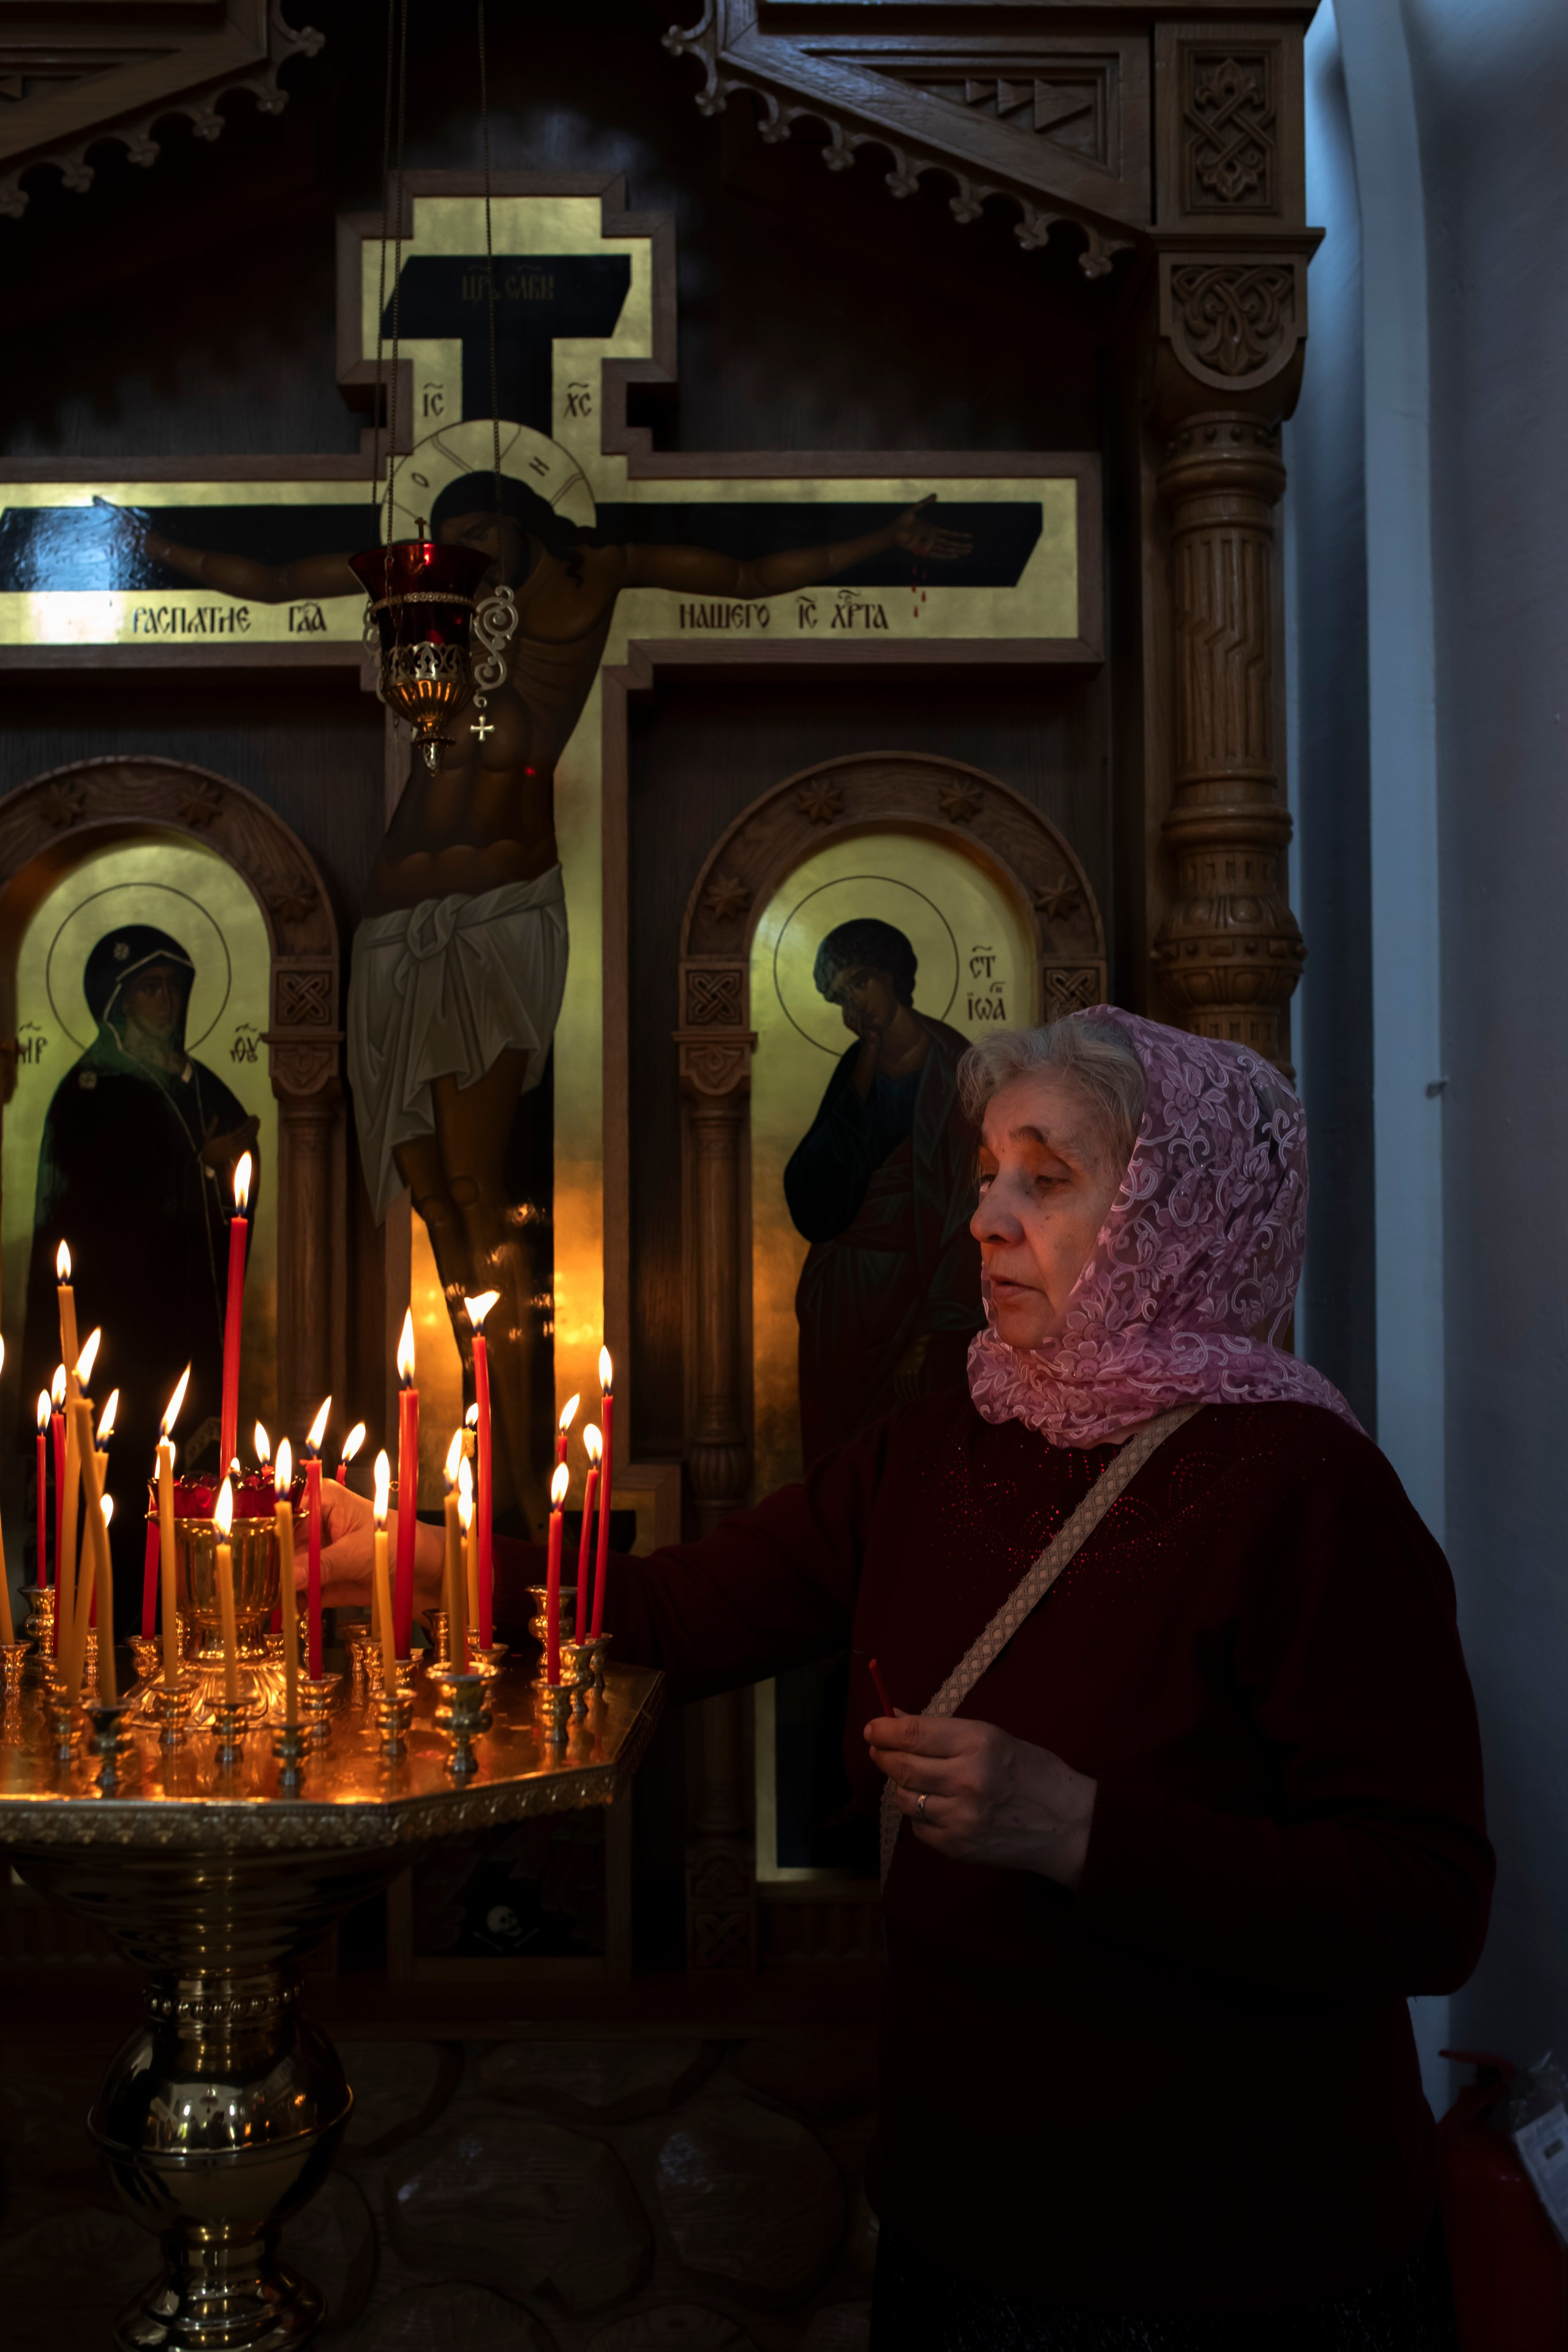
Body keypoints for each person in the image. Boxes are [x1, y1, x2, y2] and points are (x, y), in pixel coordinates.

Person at [320, 1006, 1490, 2346]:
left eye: (1043, 1179)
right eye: (987, 1171)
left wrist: (1080, 1831)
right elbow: (678, 1612)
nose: (984, 1216)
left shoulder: (1304, 1492)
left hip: (1236, 2252)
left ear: (1178, 1212)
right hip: (968, 2218)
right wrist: (434, 1568)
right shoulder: (942, 1444)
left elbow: (1422, 1903)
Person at [118, 478, 971, 1532]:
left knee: (479, 1188)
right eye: (447, 536)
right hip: (394, 930)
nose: (461, 551)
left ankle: (518, 1471)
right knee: (432, 1197)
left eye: (479, 529)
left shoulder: (587, 581)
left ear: (523, 519)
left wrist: (884, 536)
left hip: (495, 918)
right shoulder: (423, 610)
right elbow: (281, 582)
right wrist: (164, 553)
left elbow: (746, 576)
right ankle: (478, 1441)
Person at [23, 925, 258, 1629]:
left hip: (195, 1322)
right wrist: (194, 1164)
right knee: (120, 1497)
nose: (167, 1000)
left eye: (175, 986)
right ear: (116, 1001)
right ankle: (111, 1647)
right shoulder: (93, 1090)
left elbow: (237, 1197)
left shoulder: (206, 1086)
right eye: (150, 987)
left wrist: (222, 1175)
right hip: (117, 1323)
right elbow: (89, 1202)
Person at [784, 917, 982, 1467]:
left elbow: (969, 1203)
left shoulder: (955, 1066)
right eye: (841, 994)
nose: (856, 1002)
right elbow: (813, 1186)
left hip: (914, 1290)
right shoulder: (856, 1068)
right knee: (837, 1453)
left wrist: (929, 1333)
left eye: (862, 980)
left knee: (908, 1454)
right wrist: (868, 1057)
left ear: (892, 974)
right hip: (844, 1298)